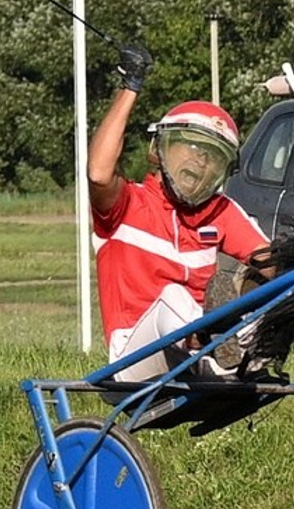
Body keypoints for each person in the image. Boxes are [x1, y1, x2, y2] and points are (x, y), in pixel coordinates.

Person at [86, 48, 272, 382]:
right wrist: (131, 85)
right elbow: (99, 173)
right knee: (174, 295)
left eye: (213, 157)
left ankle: (235, 349)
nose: (200, 161)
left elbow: (273, 260)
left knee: (271, 281)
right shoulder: (127, 204)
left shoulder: (220, 211)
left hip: (200, 353)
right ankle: (215, 348)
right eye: (191, 147)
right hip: (135, 362)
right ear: (157, 150)